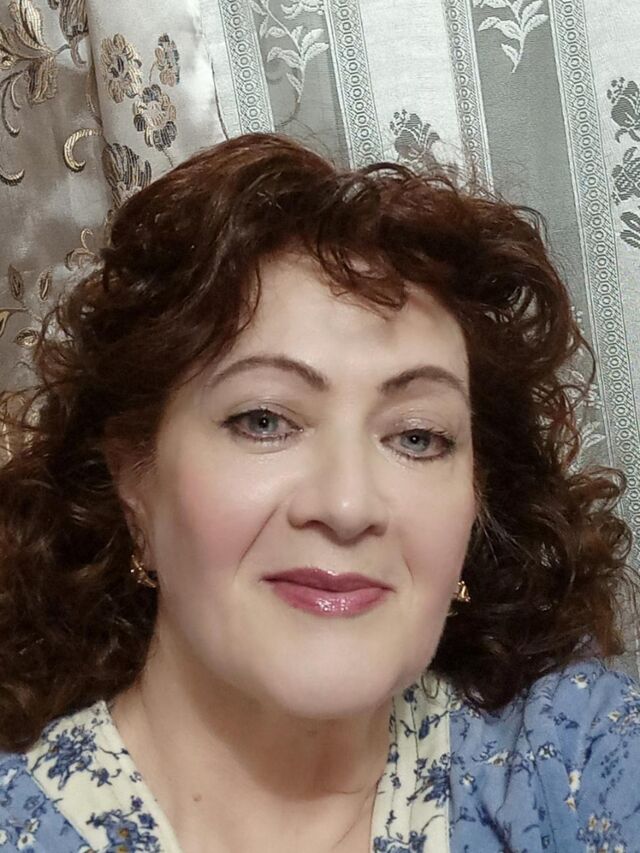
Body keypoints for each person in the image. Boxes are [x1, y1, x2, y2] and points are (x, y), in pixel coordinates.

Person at [0, 133, 638, 853]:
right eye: (264, 420)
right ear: (134, 482)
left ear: (475, 502)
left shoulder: (576, 760)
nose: (347, 506)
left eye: (418, 436)